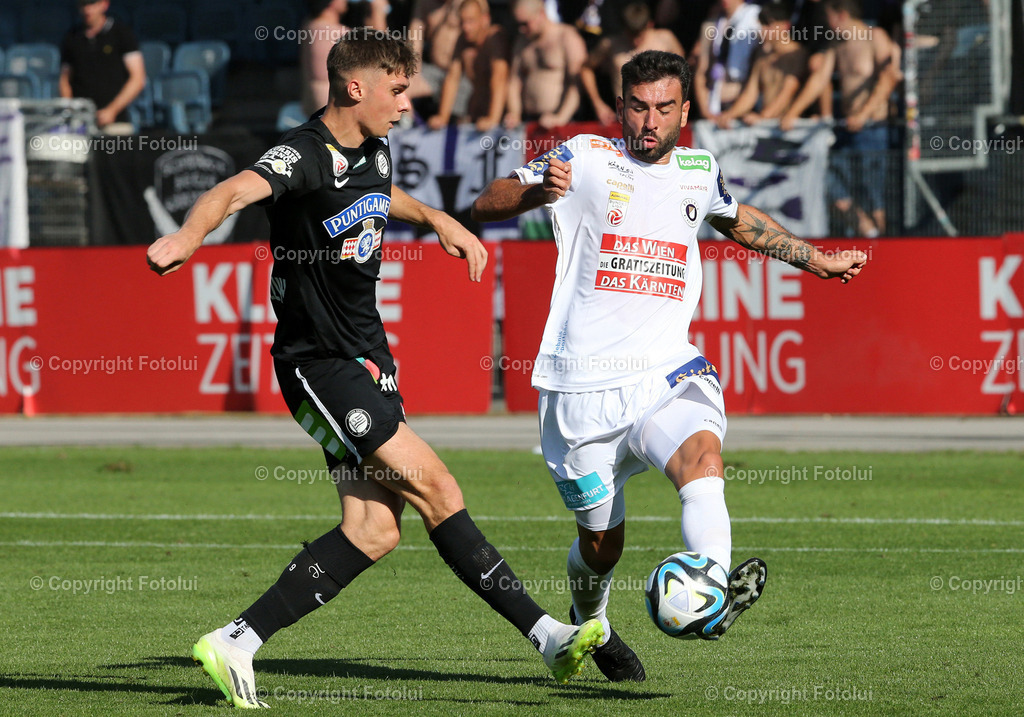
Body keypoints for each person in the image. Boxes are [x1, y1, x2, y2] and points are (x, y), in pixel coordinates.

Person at [146, 32, 603, 709]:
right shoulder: (300, 153)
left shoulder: (372, 148)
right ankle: (548, 637)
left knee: (374, 530)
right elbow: (234, 189)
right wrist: (189, 234)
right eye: (398, 89)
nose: (408, 104)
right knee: (438, 488)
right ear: (354, 87)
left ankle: (236, 641)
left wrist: (441, 219)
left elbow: (379, 197)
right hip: (319, 365)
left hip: (367, 358)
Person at [472, 50, 866, 682]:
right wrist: (534, 189)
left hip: (664, 372)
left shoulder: (696, 170)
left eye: (662, 108)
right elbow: (485, 202)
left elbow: (738, 221)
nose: (647, 121)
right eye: (636, 106)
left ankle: (708, 582)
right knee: (601, 547)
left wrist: (813, 259)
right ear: (619, 106)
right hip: (579, 394)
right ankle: (590, 616)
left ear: (685, 110)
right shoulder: (585, 159)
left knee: (703, 461)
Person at [781, 0, 901, 235]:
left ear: (840, 15)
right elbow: (819, 80)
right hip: (848, 128)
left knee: (874, 193)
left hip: (874, 128)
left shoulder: (874, 37)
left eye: (828, 18)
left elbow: (889, 78)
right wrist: (793, 113)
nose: (826, 24)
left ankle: (883, 244)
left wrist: (864, 114)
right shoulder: (837, 45)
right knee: (828, 176)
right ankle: (866, 229)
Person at [581, 0, 684, 126]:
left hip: (661, 115)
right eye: (631, 35)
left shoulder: (665, 39)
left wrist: (678, 106)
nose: (635, 41)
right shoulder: (611, 44)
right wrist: (598, 104)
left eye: (639, 35)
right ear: (624, 28)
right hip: (626, 118)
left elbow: (683, 74)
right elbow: (585, 69)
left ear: (650, 25)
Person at [713, 0, 808, 127]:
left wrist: (763, 116)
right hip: (767, 126)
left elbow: (788, 91)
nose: (763, 29)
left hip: (789, 128)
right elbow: (750, 92)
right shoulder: (762, 57)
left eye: (768, 24)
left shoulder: (797, 55)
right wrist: (730, 114)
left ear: (785, 26)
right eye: (762, 24)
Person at [60, 0, 146, 132]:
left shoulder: (122, 33)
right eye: (84, 4)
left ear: (104, 4)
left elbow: (138, 79)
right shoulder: (71, 37)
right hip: (80, 123)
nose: (88, 10)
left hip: (115, 122)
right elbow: (65, 79)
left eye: (92, 4)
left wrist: (112, 110)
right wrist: (71, 110)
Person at [427, 0, 510, 132]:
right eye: (462, 22)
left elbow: (499, 79)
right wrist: (442, 117)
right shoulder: (462, 41)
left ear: (484, 19)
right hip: (475, 113)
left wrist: (493, 119)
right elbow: (452, 79)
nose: (466, 27)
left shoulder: (495, 38)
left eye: (471, 21)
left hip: (500, 116)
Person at [504, 0, 588, 129]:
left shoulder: (566, 37)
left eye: (526, 23)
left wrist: (561, 117)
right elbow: (514, 81)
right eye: (519, 24)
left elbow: (576, 84)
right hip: (530, 121)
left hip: (563, 122)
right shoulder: (522, 42)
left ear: (541, 14)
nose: (522, 29)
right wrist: (514, 113)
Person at [693, 0, 762, 119]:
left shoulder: (755, 20)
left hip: (744, 107)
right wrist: (705, 111)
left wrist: (733, 113)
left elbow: (760, 69)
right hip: (714, 104)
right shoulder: (711, 25)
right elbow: (701, 71)